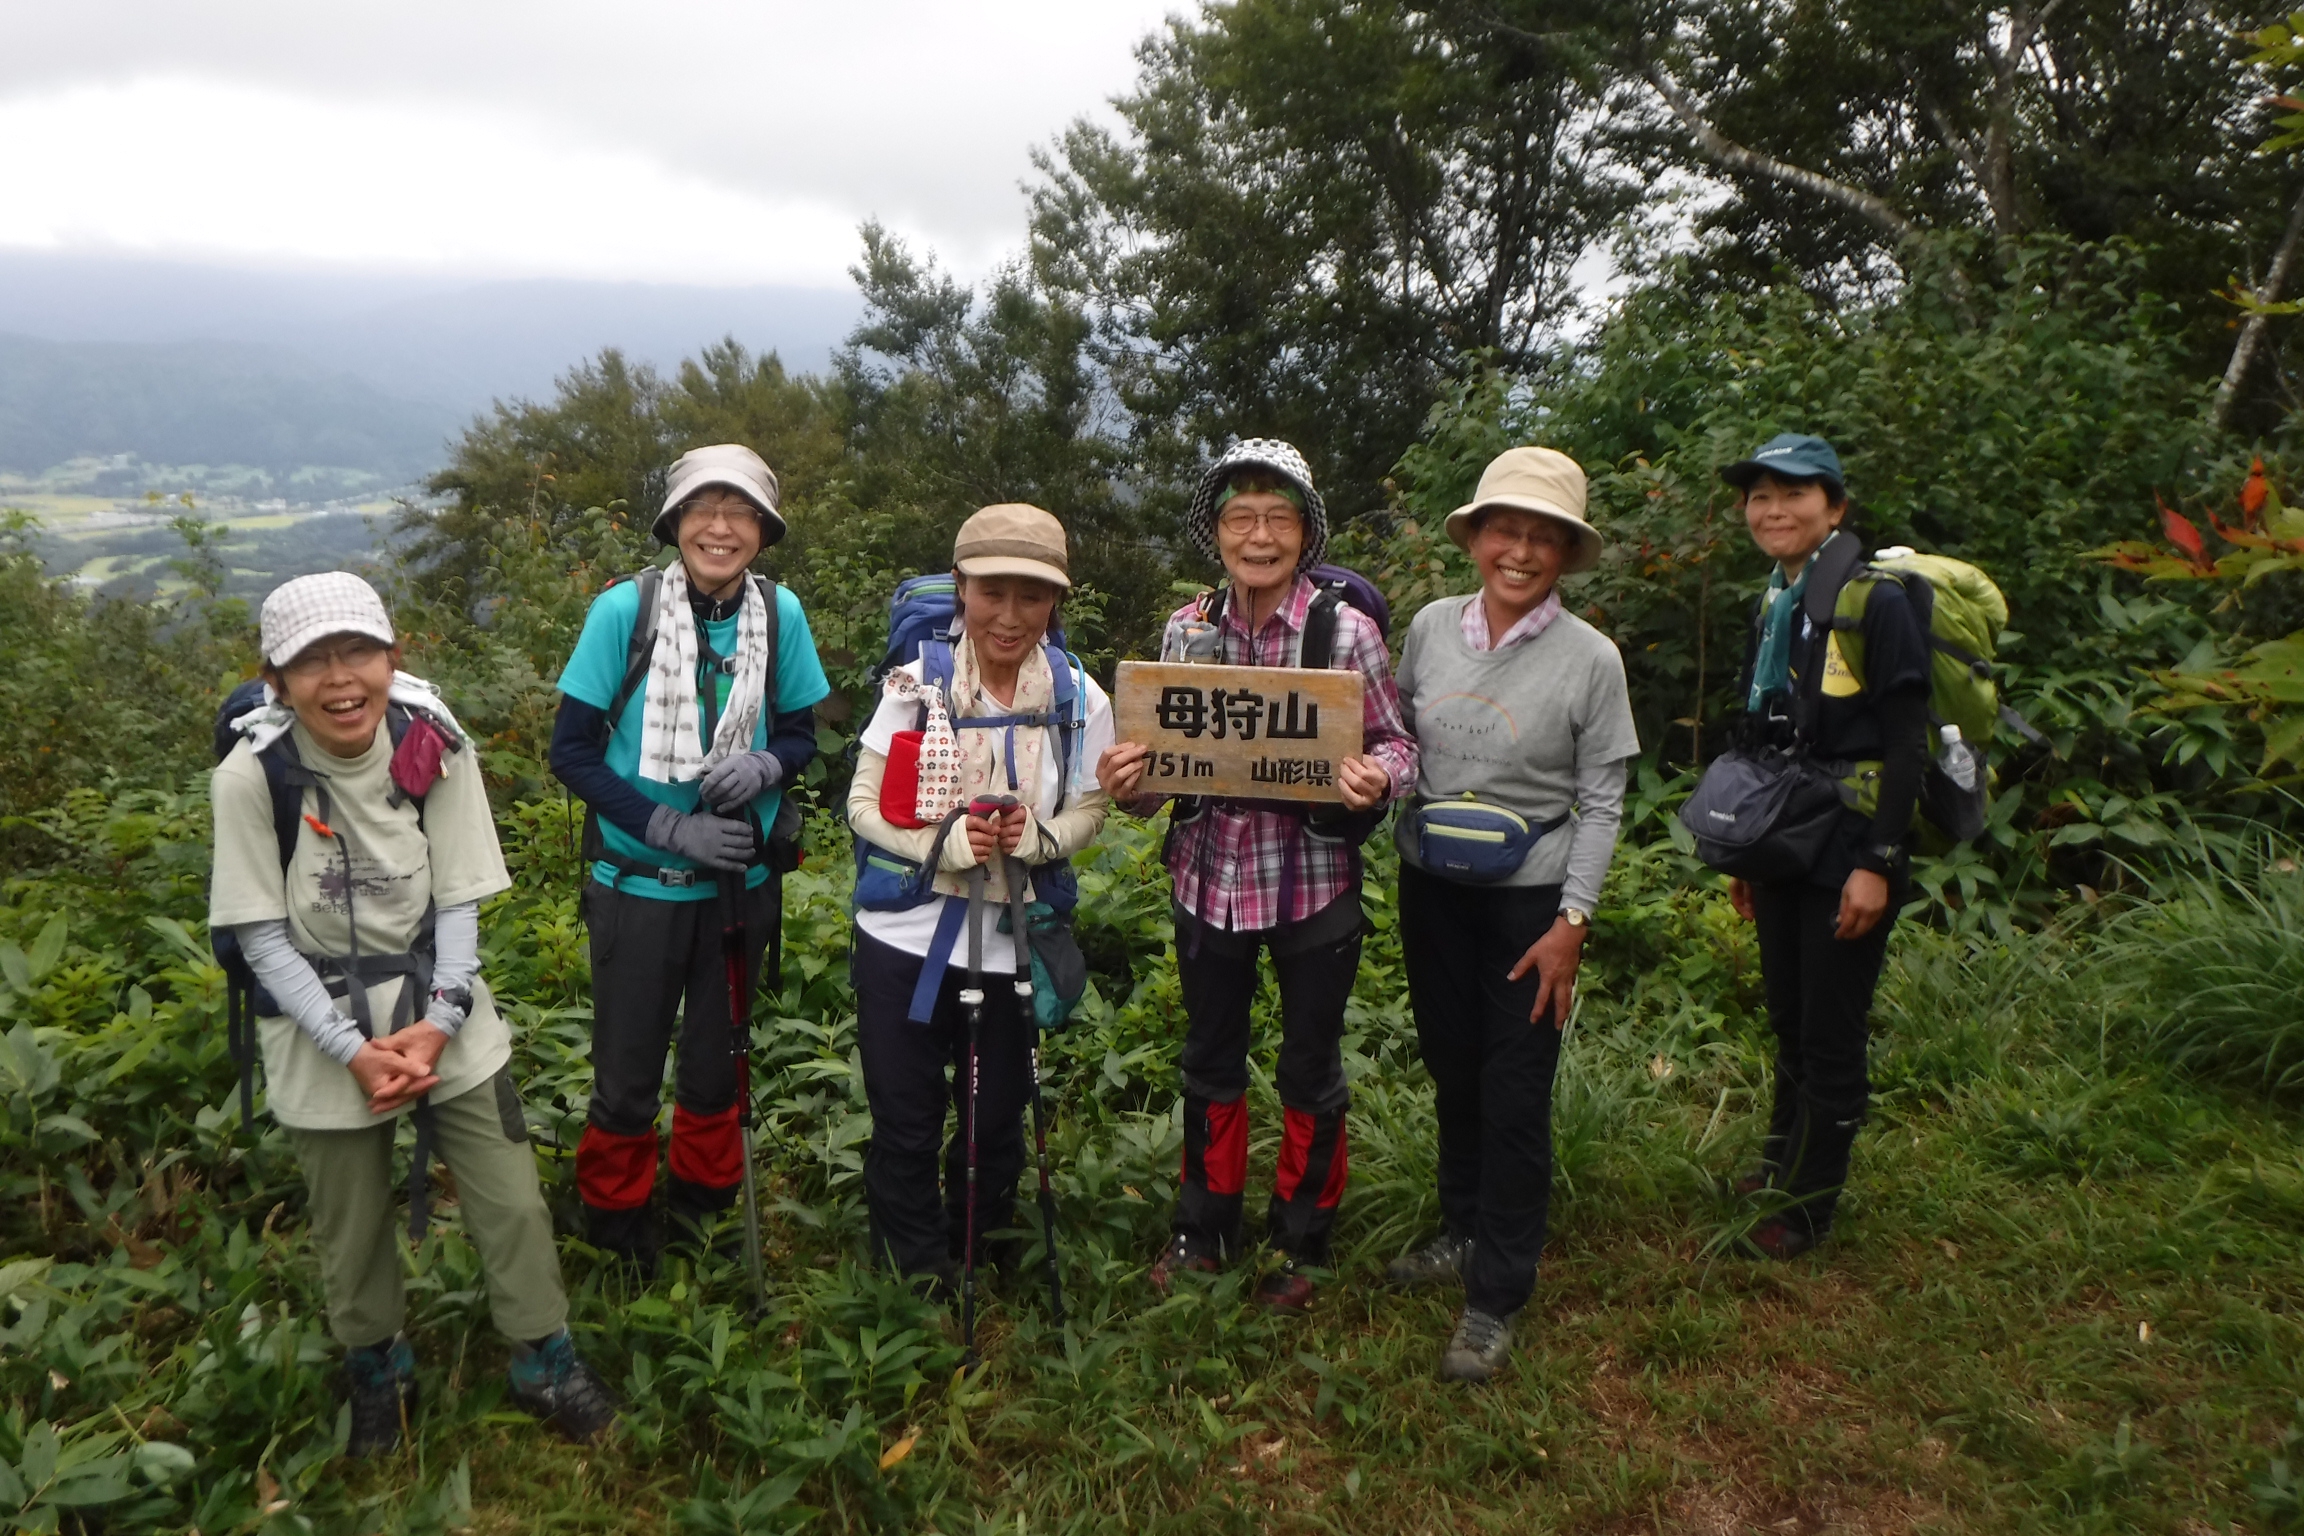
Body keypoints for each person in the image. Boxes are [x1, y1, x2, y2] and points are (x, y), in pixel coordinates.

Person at [210, 572, 616, 1456]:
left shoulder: (434, 744)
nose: (340, 678)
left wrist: (440, 1019)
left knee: (510, 1198)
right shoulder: (251, 777)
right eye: (310, 662)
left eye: (357, 650)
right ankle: (377, 1368)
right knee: (348, 1218)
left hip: (442, 996)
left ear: (394, 658)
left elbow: (461, 897)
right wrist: (350, 1049)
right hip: (318, 1018)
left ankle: (543, 1356)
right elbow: (262, 939)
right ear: (275, 680)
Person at [1098, 438, 1417, 1312]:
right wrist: (1131, 784)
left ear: (1306, 531)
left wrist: (1381, 777)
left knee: (1311, 1067)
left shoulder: (1343, 631)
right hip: (1207, 879)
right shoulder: (1186, 631)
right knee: (1209, 1061)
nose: (1261, 535)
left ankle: (1302, 1246)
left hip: (1312, 882)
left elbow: (1396, 741)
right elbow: (1161, 763)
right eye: (1243, 517)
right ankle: (1204, 1231)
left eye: (1280, 517)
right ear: (1217, 530)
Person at [1383, 447, 1640, 1382]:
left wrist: (1572, 921)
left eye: (1543, 537)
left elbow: (1604, 801)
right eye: (1506, 531)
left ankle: (1497, 1293)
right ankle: (1463, 1228)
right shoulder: (1426, 631)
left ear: (1567, 554)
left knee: (1517, 1087)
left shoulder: (1591, 660)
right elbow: (1394, 738)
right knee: (1454, 1065)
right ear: (1476, 538)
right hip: (1432, 887)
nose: (1520, 552)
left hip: (1531, 897)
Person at [548, 444, 831, 1268]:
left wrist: (769, 765)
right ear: (674, 523)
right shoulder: (623, 613)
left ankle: (702, 1208)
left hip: (737, 885)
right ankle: (618, 1224)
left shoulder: (779, 615)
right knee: (628, 1071)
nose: (719, 526)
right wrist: (668, 828)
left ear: (763, 530)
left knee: (717, 1064)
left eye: (739, 511)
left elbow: (801, 732)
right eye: (703, 508)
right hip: (638, 883)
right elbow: (572, 752)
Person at [845, 504, 1113, 1293]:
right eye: (992, 592)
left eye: (1032, 597)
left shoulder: (1075, 693)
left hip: (1012, 939)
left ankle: (981, 1249)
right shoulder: (916, 682)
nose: (1010, 616)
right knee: (905, 1118)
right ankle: (916, 1271)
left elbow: (1092, 806)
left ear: (1055, 603)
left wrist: (1039, 841)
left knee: (995, 1119)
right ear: (960, 588)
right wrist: (943, 848)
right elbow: (862, 804)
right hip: (903, 936)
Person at [1719, 433, 1930, 1259]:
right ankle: (1781, 1165)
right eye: (1759, 495)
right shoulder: (1777, 603)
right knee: (1790, 1018)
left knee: (1832, 1028)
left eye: (1794, 494)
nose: (1772, 509)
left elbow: (1906, 745)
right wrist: (1745, 858)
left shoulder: (1879, 603)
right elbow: (1762, 737)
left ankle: (1807, 1210)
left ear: (1835, 508)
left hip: (1849, 844)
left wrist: (1877, 863)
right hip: (1786, 841)